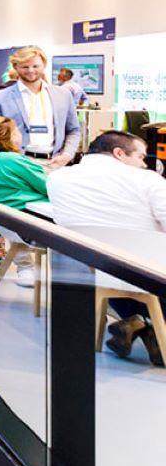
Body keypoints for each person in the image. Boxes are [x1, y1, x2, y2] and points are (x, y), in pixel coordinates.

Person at [48, 131, 166, 363]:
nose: (144, 164)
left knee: (114, 261)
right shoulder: (147, 180)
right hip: (150, 274)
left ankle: (141, 324)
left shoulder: (58, 178)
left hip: (90, 269)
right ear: (119, 153)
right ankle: (148, 327)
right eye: (141, 157)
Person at [0, 46, 81, 168]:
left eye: (35, 66)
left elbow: (73, 130)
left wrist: (67, 154)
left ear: (44, 65)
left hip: (55, 163)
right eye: (25, 67)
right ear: (15, 67)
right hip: (17, 164)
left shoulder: (63, 94)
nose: (31, 70)